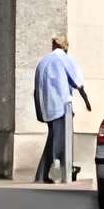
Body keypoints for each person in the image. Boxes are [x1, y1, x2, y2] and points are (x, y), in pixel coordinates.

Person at [33, 34, 91, 182]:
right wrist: (87, 102)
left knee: (53, 137)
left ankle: (42, 175)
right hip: (61, 106)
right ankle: (63, 172)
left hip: (45, 106)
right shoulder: (64, 59)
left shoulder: (43, 61)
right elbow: (78, 82)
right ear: (65, 46)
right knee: (60, 141)